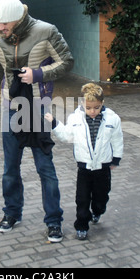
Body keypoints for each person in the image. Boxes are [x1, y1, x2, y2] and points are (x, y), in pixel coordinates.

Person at [0, 0, 74, 242]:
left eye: (5, 24)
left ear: (18, 19)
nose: (0, 28)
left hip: (39, 109)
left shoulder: (45, 31)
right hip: (11, 109)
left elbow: (67, 62)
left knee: (45, 169)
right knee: (10, 168)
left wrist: (38, 74)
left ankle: (53, 221)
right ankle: (12, 213)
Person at [45, 83, 123, 240]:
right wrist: (54, 123)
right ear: (82, 104)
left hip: (103, 166)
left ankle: (98, 210)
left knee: (101, 196)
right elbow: (67, 136)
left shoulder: (112, 119)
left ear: (102, 103)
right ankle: (81, 225)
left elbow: (117, 139)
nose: (92, 111)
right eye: (88, 108)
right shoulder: (75, 118)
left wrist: (116, 157)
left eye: (96, 107)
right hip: (84, 168)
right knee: (82, 199)